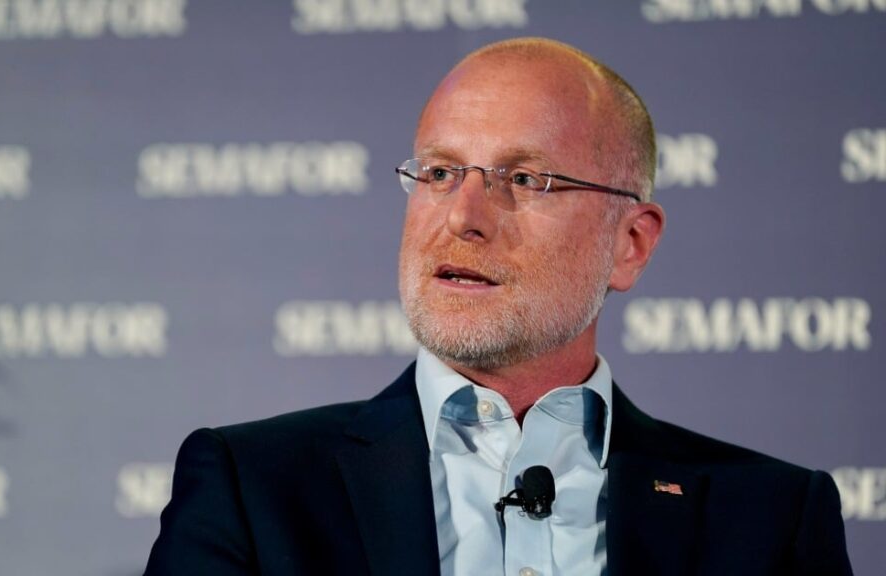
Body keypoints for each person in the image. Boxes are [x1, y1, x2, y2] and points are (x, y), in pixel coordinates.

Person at [144, 37, 852, 576]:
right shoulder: (253, 487)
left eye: (525, 179)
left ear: (630, 244)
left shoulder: (772, 517)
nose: (463, 217)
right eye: (440, 172)